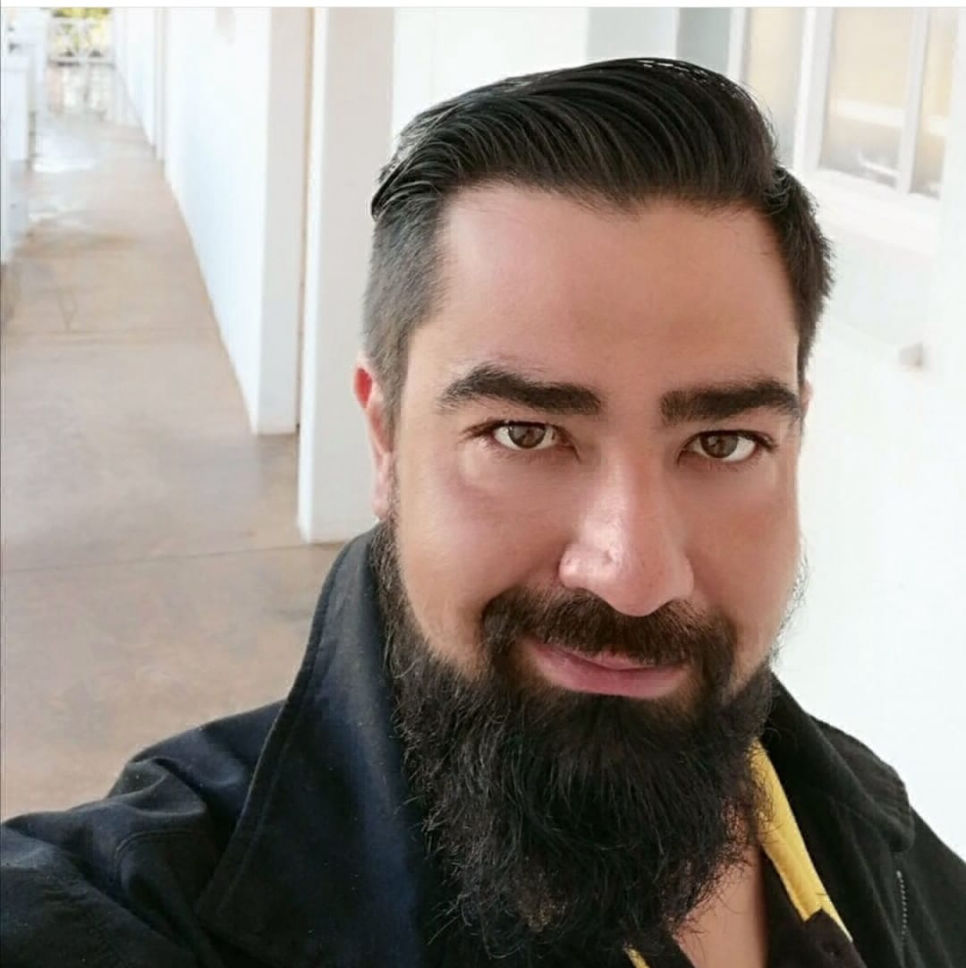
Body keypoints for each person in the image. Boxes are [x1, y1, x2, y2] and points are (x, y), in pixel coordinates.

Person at [2, 57, 964, 968]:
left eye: (723, 444)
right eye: (524, 434)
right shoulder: (148, 901)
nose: (633, 575)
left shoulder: (867, 819)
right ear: (384, 439)